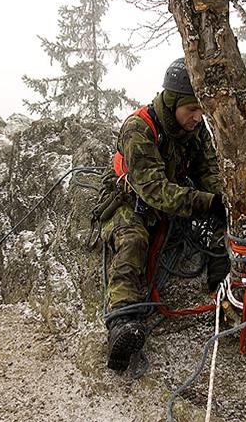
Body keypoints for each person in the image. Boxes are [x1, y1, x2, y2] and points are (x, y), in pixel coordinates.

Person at [94, 58, 227, 371]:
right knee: (132, 240)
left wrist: (221, 202)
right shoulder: (138, 129)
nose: (198, 117)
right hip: (130, 199)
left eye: (201, 110)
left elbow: (207, 170)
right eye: (191, 109)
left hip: (175, 197)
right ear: (172, 102)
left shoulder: (195, 130)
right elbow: (154, 189)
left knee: (217, 227)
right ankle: (122, 322)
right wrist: (207, 203)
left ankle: (221, 284)